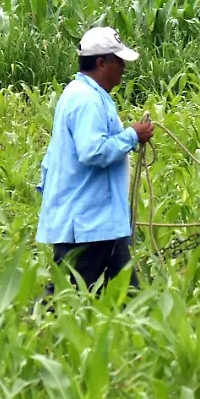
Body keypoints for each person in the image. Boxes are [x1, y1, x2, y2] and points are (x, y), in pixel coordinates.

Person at [37, 27, 155, 292]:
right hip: (86, 224)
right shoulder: (86, 99)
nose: (123, 67)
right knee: (65, 298)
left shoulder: (87, 94)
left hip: (103, 224)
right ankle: (31, 329)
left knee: (128, 295)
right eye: (119, 60)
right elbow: (93, 152)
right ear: (101, 62)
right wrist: (132, 136)